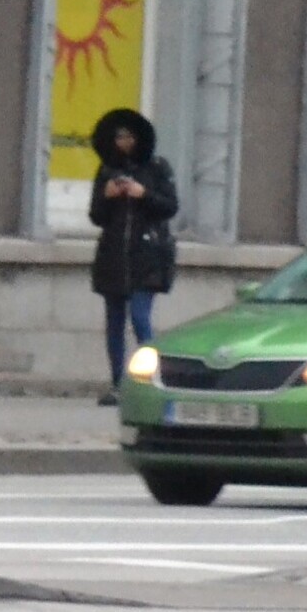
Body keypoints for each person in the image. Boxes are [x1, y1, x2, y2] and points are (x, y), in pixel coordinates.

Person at [88, 106, 180, 404]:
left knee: (140, 317)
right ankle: (117, 383)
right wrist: (108, 195)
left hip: (147, 254)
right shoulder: (107, 170)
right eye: (118, 138)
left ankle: (152, 380)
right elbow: (96, 216)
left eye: (129, 137)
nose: (124, 143)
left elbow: (169, 207)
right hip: (114, 255)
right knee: (114, 322)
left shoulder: (156, 167)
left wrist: (144, 194)